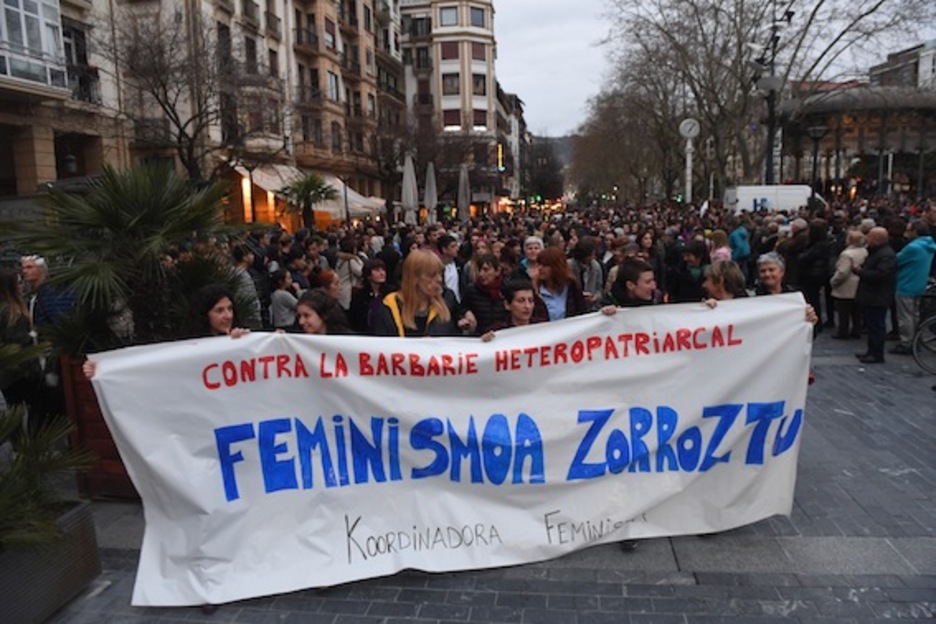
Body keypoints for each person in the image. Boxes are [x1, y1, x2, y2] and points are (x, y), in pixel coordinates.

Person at [373, 250, 476, 337]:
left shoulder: (447, 299)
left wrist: (473, 333)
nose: (440, 279)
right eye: (432, 275)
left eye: (440, 273)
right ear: (414, 278)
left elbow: (457, 342)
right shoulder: (388, 308)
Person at [854, 227, 897, 364]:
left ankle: (876, 353)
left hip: (878, 295)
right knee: (873, 325)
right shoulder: (877, 252)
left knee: (877, 325)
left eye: (870, 237)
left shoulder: (886, 255)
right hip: (872, 295)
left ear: (877, 239)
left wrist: (860, 272)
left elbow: (880, 275)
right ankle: (871, 351)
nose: (867, 239)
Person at [892, 220, 936, 355]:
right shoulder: (928, 245)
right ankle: (914, 340)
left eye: (909, 230)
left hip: (906, 283)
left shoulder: (913, 247)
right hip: (919, 283)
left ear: (915, 232)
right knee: (914, 315)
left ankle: (907, 342)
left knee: (905, 316)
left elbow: (897, 260)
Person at [0, 267, 41, 411]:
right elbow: (20, 344)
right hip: (21, 373)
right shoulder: (12, 314)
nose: (21, 286)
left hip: (7, 374)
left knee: (14, 412)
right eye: (18, 283)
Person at [829, 229, 867, 340]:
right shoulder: (864, 251)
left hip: (846, 285)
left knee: (843, 311)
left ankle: (843, 331)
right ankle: (856, 330)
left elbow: (842, 272)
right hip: (859, 284)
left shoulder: (847, 254)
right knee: (857, 311)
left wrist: (833, 281)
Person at [535, 247, 588, 321]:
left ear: (556, 267)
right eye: (539, 264)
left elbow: (582, 314)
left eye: (545, 265)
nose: (540, 268)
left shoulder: (572, 287)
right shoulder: (535, 290)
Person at [348, 258, 392, 334]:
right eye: (377, 270)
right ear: (368, 275)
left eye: (383, 270)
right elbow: (354, 319)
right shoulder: (359, 296)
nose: (382, 273)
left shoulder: (391, 293)